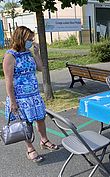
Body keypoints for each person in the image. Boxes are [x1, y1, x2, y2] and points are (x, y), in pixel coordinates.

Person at [3, 26, 59, 163]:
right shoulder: (10, 56)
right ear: (20, 38)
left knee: (40, 119)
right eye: (29, 39)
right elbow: (8, 81)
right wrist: (13, 101)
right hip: (20, 98)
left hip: (34, 95)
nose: (31, 41)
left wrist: (37, 53)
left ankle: (44, 141)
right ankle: (30, 149)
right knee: (25, 124)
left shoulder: (28, 53)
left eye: (32, 39)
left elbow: (40, 68)